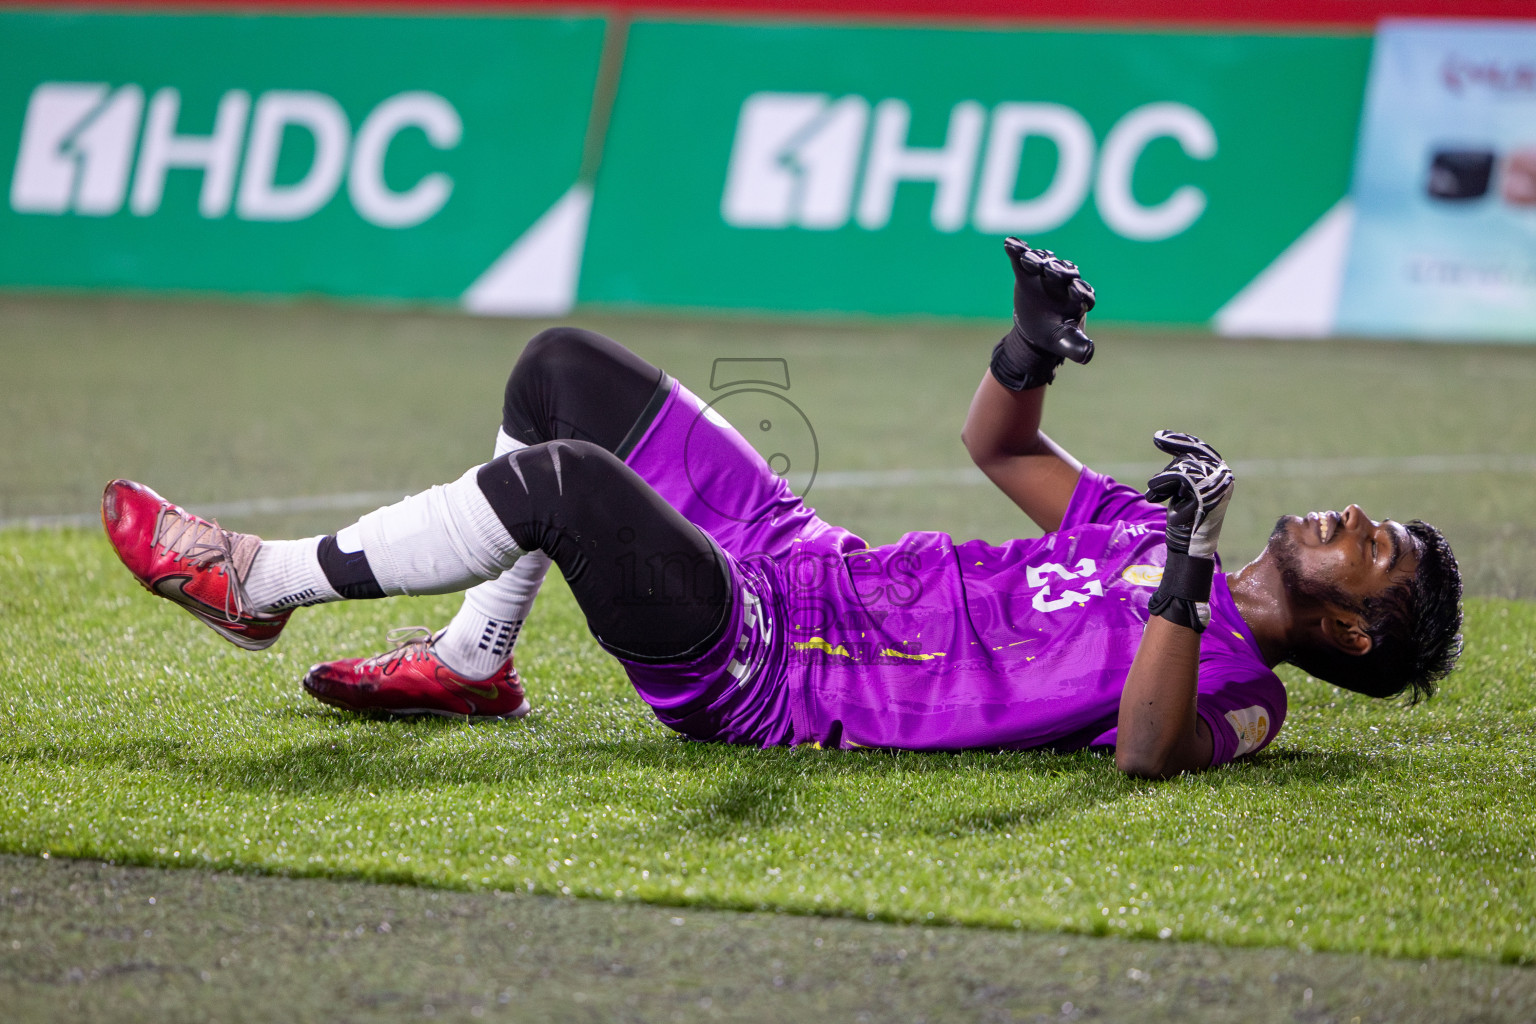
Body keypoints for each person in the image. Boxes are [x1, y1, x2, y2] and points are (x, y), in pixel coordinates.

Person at [101, 240, 1463, 778]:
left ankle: (262, 579)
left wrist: (1198, 556)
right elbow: (1000, 448)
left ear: (1352, 633)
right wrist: (1029, 347)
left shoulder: (1246, 687)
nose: (1347, 517)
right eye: (1365, 516)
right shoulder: (1149, 532)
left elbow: (1149, 750)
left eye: (1373, 545)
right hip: (813, 566)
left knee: (568, 488)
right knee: (559, 370)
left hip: (781, 668)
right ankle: (473, 660)